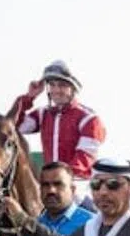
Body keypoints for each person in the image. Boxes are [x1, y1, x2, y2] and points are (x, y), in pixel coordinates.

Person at [12, 60, 106, 202]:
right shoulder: (43, 113)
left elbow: (83, 159)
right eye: (52, 85)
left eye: (62, 85)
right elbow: (14, 127)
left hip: (78, 183)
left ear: (72, 88)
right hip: (50, 183)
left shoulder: (89, 119)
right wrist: (29, 97)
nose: (56, 90)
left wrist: (60, 178)